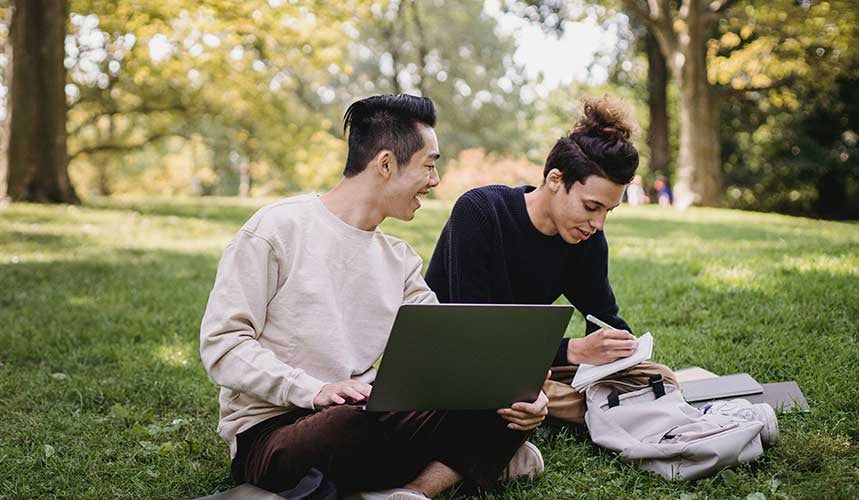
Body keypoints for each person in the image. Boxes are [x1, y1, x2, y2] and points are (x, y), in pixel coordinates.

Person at [200, 94, 549, 500]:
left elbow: (451, 352)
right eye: (429, 164)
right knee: (345, 426)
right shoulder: (275, 230)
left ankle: (413, 492)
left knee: (498, 405)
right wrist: (312, 390)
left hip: (369, 413)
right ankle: (471, 463)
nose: (435, 181)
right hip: (278, 431)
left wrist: (518, 392)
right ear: (385, 164)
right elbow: (223, 346)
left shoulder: (399, 259)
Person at [425, 96, 675, 423]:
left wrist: (621, 351)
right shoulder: (481, 212)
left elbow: (603, 316)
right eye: (591, 207)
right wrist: (573, 350)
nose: (598, 224)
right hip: (461, 360)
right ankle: (582, 406)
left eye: (607, 211)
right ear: (555, 180)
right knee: (505, 385)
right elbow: (474, 334)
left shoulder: (587, 239)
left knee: (661, 378)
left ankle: (557, 403)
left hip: (528, 365)